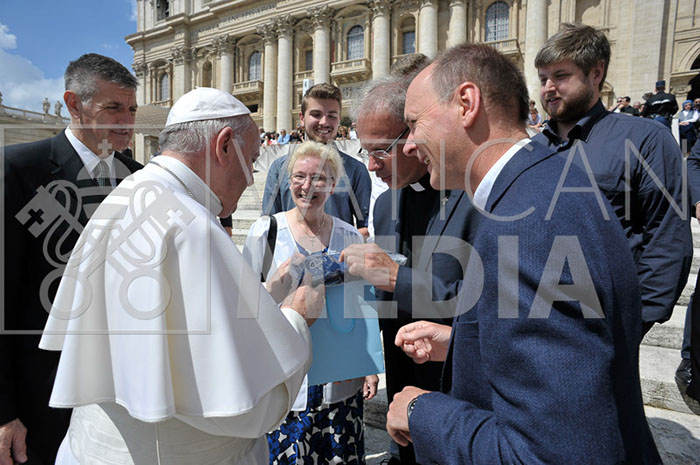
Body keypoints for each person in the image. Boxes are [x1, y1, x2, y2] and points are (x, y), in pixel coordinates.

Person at [384, 42, 661, 464]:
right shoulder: (547, 184)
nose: (407, 145)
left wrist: (423, 412)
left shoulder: (527, 224)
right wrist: (468, 344)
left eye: (414, 123)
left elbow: (550, 453)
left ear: (466, 103)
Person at [39, 87, 321, 464]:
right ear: (224, 145)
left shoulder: (128, 194)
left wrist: (262, 296)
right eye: (252, 160)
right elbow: (248, 408)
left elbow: (174, 321)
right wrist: (296, 318)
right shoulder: (190, 225)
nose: (252, 179)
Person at [2, 53, 143, 465]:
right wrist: (3, 411)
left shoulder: (139, 178)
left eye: (132, 109)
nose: (127, 121)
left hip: (120, 394)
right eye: (113, 108)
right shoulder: (17, 170)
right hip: (39, 399)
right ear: (73, 103)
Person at [342, 73, 478, 465]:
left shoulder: (472, 196)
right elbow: (386, 298)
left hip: (456, 386)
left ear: (413, 134)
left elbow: (479, 301)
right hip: (401, 381)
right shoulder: (385, 204)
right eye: (365, 151)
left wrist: (395, 278)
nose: (371, 165)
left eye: (381, 151)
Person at [533, 23, 692, 332]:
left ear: (596, 73)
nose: (548, 88)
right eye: (543, 79)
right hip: (536, 319)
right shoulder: (532, 148)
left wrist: (634, 320)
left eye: (560, 76)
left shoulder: (646, 139)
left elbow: (668, 236)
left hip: (607, 323)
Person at [244, 141, 377, 464]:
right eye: (299, 177)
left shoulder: (350, 236)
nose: (307, 186)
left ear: (333, 185)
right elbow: (244, 304)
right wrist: (276, 288)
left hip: (340, 382)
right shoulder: (267, 231)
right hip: (286, 384)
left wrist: (369, 366)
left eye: (319, 178)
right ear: (288, 181)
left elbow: (361, 305)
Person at [263, 83, 371, 237]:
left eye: (331, 116)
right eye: (316, 114)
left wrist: (332, 244)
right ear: (302, 118)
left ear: (339, 120)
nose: (324, 122)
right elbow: (269, 223)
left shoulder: (356, 170)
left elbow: (367, 227)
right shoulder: (278, 168)